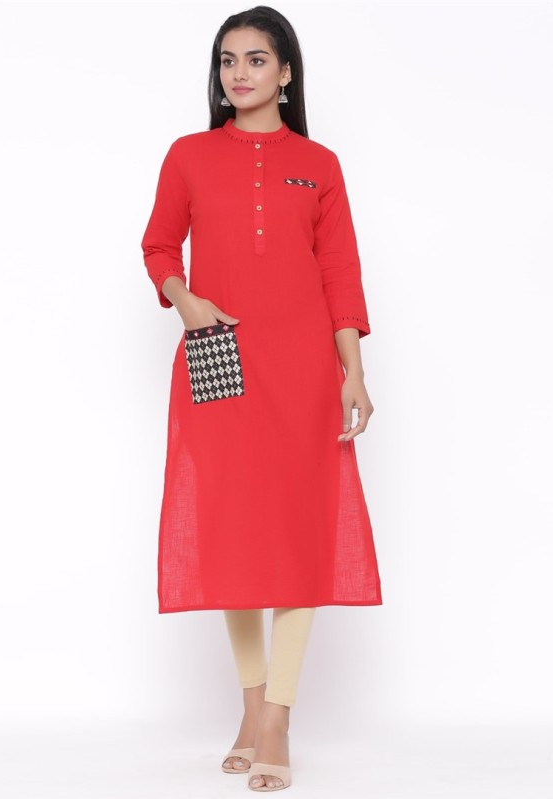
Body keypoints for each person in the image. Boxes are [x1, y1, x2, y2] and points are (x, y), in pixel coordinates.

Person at [140, 5, 383, 792]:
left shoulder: (320, 164)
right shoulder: (188, 155)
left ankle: (277, 715)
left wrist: (352, 371)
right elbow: (158, 244)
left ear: (285, 72)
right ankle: (250, 707)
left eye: (254, 59)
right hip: (218, 356)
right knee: (231, 532)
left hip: (303, 368)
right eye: (227, 60)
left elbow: (339, 272)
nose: (238, 73)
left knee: (299, 534)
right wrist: (185, 301)